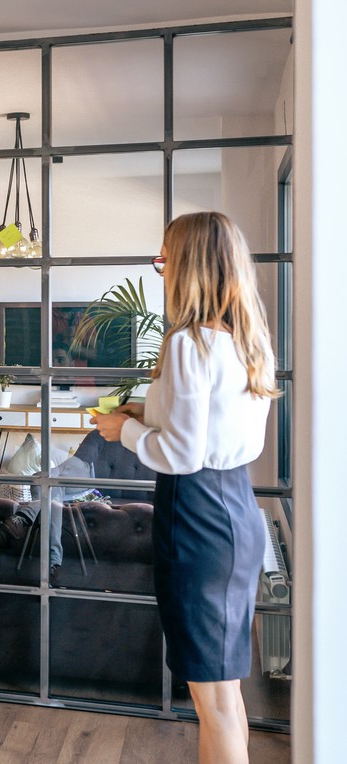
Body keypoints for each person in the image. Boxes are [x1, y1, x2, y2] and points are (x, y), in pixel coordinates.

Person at [93, 211, 279, 764]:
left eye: (164, 260)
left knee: (211, 700)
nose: (162, 270)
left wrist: (121, 428)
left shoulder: (186, 344)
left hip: (195, 517)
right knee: (226, 693)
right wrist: (144, 408)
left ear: (189, 267)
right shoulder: (247, 341)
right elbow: (215, 426)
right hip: (235, 510)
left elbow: (182, 453)